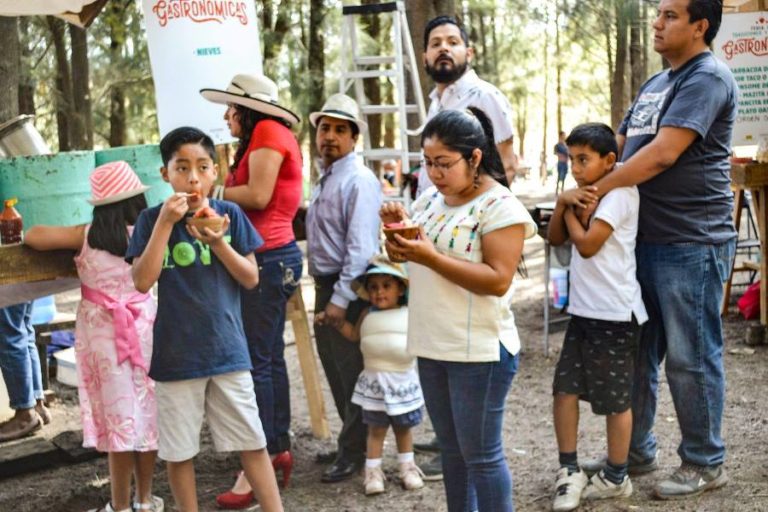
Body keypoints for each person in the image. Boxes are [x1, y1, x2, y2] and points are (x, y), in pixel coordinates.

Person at [573, 0, 737, 501]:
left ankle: (704, 461)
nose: (657, 22)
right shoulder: (655, 83)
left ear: (700, 26)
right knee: (637, 353)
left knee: (690, 357)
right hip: (642, 241)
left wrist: (597, 191)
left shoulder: (706, 78)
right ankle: (635, 451)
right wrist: (589, 184)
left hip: (692, 240)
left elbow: (663, 154)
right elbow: (622, 147)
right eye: (658, 13)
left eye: (670, 16)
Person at [381, 107, 536, 512]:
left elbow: (498, 280)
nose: (434, 173)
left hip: (478, 350)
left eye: (444, 163)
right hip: (433, 343)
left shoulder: (499, 207)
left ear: (475, 157)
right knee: (452, 452)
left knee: (481, 456)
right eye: (428, 162)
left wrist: (431, 257)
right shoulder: (431, 199)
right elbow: (409, 258)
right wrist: (396, 234)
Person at [126, 127, 283, 512]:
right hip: (176, 356)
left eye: (201, 167)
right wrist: (165, 224)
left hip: (228, 351)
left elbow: (251, 278)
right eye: (181, 168)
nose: (192, 178)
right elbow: (142, 281)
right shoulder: (151, 220)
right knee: (179, 451)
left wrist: (218, 243)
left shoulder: (230, 215)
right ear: (165, 174)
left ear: (216, 172)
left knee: (252, 442)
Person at [24, 161, 162, 512]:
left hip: (103, 338)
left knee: (118, 419)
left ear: (99, 206)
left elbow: (33, 235)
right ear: (137, 201)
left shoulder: (84, 235)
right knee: (146, 413)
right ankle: (146, 501)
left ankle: (120, 506)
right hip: (145, 331)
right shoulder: (149, 234)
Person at [200, 73, 303, 509]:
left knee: (257, 361)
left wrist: (213, 189)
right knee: (270, 357)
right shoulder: (271, 133)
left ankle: (259, 461)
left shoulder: (267, 131)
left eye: (231, 107)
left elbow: (259, 195)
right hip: (277, 254)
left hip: (269, 256)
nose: (227, 116)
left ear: (248, 109)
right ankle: (275, 447)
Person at [546, 124, 648, 511]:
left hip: (615, 314)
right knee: (564, 390)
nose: (575, 168)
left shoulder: (620, 193)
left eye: (583, 160)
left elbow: (587, 245)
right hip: (584, 312)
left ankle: (617, 477)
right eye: (571, 159)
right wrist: (563, 204)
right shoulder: (584, 191)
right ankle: (568, 468)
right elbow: (555, 239)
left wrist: (568, 207)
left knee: (615, 401)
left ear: (609, 161)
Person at [306, 93, 382, 483]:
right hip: (325, 286)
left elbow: (361, 249)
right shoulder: (327, 178)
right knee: (336, 371)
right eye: (325, 129)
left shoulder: (359, 180)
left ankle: (357, 452)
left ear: (354, 138)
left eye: (340, 130)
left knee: (351, 372)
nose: (330, 137)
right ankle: (350, 444)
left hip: (347, 289)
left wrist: (340, 300)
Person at [316, 256, 425, 496]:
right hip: (374, 384)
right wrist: (335, 322)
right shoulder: (366, 314)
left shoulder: (409, 314)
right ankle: (373, 472)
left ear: (400, 289)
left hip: (401, 382)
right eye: (373, 287)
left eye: (386, 286)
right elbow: (354, 335)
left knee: (403, 429)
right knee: (375, 429)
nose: (379, 292)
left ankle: (407, 468)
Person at [416, 15, 519, 197]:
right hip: (432, 211)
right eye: (436, 44)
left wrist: (473, 212)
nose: (444, 48)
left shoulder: (484, 96)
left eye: (453, 42)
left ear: (469, 53)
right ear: (425, 58)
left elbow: (507, 166)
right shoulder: (435, 103)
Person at [0, 302, 50, 442]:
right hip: (22, 287)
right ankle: (37, 405)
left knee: (8, 334)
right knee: (23, 329)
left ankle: (25, 415)